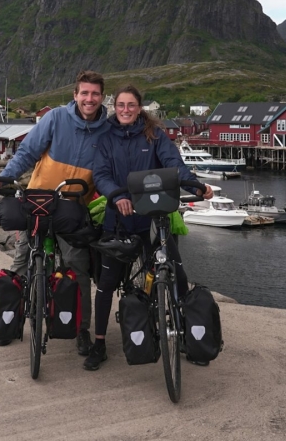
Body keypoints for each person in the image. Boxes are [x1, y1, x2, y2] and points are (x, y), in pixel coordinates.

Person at [83, 85, 213, 371]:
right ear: (114, 107)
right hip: (117, 221)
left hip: (152, 220)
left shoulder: (154, 136)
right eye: (120, 105)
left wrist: (195, 184)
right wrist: (117, 196)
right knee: (106, 285)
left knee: (176, 273)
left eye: (131, 105)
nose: (126, 110)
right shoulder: (105, 138)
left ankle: (188, 337)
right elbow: (101, 174)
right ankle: (100, 343)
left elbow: (173, 164)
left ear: (139, 107)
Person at [0, 70, 110, 353]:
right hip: (38, 202)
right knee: (20, 264)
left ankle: (81, 330)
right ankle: (10, 323)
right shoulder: (55, 118)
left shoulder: (108, 129)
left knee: (77, 268)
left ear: (102, 97)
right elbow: (28, 152)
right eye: (84, 93)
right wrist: (5, 177)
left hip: (73, 210)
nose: (89, 99)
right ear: (75, 95)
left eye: (95, 94)